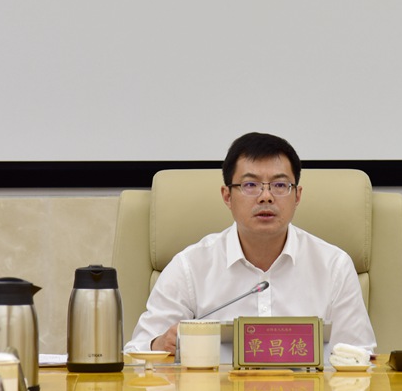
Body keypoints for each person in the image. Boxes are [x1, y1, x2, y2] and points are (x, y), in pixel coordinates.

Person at [124, 132, 376, 358]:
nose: (266, 196)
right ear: (227, 196)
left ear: (297, 196)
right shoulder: (190, 266)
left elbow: (360, 358)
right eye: (250, 185)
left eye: (280, 185)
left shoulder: (333, 266)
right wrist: (160, 344)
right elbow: (136, 353)